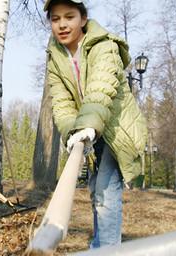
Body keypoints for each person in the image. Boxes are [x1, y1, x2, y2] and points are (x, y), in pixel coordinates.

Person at [43, 0, 148, 248]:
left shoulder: (104, 45)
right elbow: (61, 102)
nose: (62, 24)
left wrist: (88, 123)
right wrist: (72, 131)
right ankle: (100, 246)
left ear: (83, 18)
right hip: (90, 131)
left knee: (106, 191)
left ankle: (108, 249)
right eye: (55, 19)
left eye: (69, 17)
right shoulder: (55, 56)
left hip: (116, 127)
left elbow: (101, 87)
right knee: (95, 190)